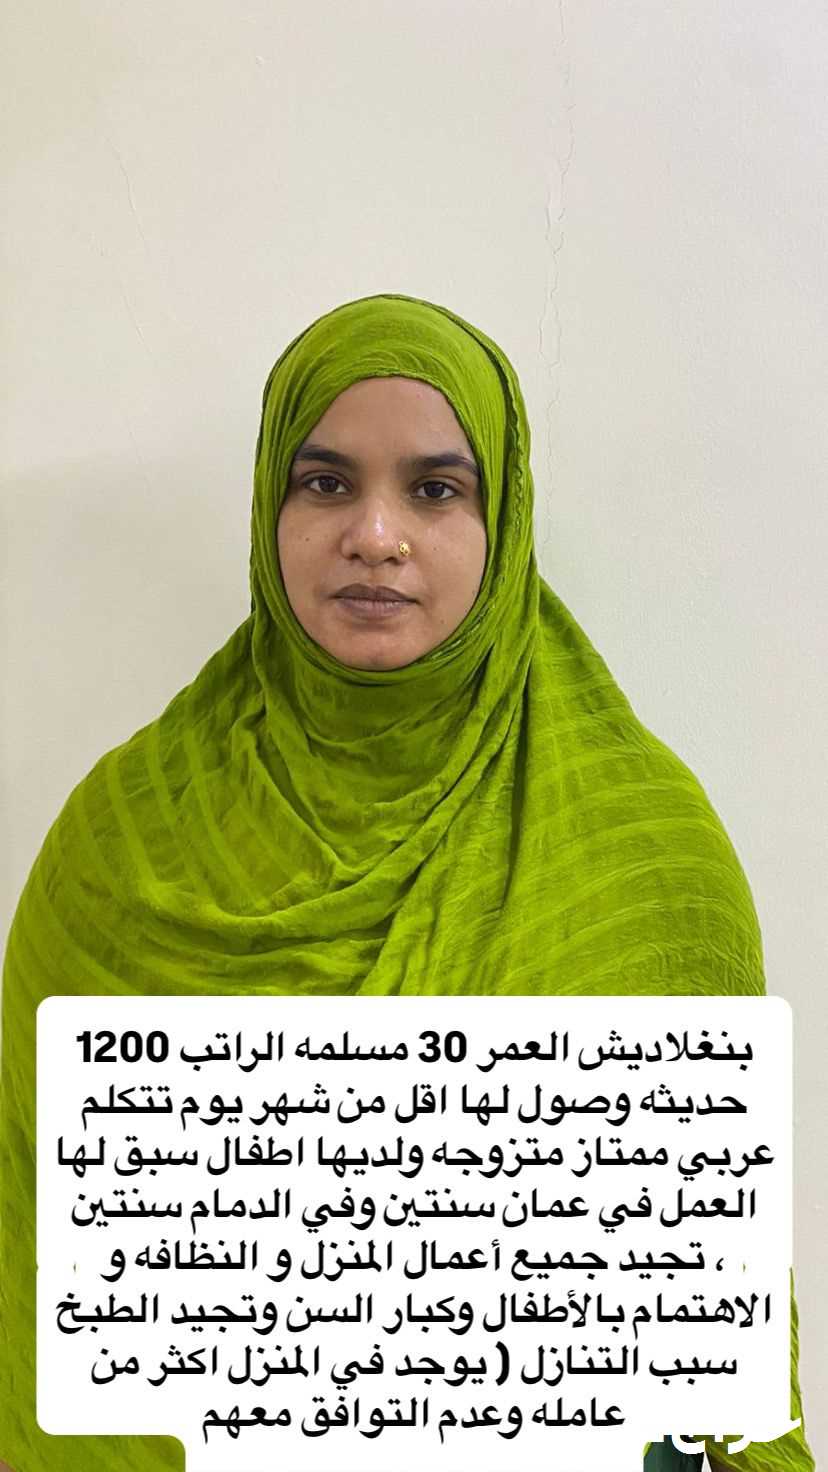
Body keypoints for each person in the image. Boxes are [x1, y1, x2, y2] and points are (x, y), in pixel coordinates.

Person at [0, 293, 813, 1472]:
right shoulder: (124, 851)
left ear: (503, 518)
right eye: (326, 481)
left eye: (435, 488)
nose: (375, 534)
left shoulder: (645, 857)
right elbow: (50, 1260)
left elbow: (699, 1320)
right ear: (270, 507)